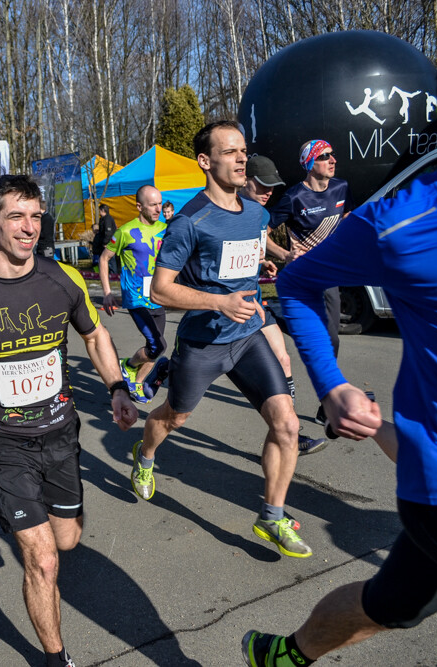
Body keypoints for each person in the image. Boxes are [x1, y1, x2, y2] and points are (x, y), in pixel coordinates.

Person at [242, 29, 437, 666]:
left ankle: (283, 654)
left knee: (393, 605)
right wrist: (330, 381)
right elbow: (298, 284)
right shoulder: (401, 225)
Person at [0, 174, 138, 667]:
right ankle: (58, 659)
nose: (29, 226)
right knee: (43, 560)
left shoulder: (64, 278)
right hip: (2, 439)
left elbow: (96, 337)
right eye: (16, 216)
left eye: (36, 216)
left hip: (61, 431)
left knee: (68, 539)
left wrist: (117, 387)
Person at [137, 120, 312, 559]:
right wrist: (218, 303)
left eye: (243, 151)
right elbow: (159, 290)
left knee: (287, 423)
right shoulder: (190, 221)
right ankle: (144, 456)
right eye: (230, 152)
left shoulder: (256, 212)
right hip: (202, 343)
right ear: (205, 161)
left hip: (249, 335)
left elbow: (246, 253)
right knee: (174, 418)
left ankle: (272, 517)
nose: (241, 159)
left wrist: (263, 266)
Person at [241, 156, 327, 456]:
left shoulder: (260, 215)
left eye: (272, 186)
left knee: (284, 360)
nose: (268, 192)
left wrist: (268, 259)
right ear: (244, 178)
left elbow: (258, 242)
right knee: (179, 410)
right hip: (217, 313)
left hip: (252, 304)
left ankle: (291, 432)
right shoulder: (221, 209)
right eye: (262, 184)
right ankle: (168, 368)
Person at [268, 137, 357, 375]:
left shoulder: (341, 187)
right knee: (312, 333)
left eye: (332, 154)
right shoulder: (294, 197)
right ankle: (276, 317)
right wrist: (285, 254)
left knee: (332, 339)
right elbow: (261, 233)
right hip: (301, 274)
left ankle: (326, 399)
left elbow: (347, 217)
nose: (332, 160)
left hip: (328, 274)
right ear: (309, 163)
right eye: (324, 156)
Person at [99, 184, 170, 404]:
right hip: (137, 298)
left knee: (156, 347)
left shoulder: (165, 228)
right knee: (158, 345)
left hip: (158, 295)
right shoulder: (125, 232)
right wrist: (108, 292)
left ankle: (136, 383)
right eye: (153, 205)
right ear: (139, 206)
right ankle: (127, 366)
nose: (158, 209)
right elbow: (104, 259)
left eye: (160, 203)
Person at [92, 204, 117, 276]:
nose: (99, 212)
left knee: (111, 260)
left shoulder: (107, 219)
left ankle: (113, 275)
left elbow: (108, 232)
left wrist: (106, 242)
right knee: (104, 260)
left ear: (103, 210)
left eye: (99, 210)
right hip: (104, 243)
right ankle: (106, 274)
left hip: (108, 243)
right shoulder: (103, 219)